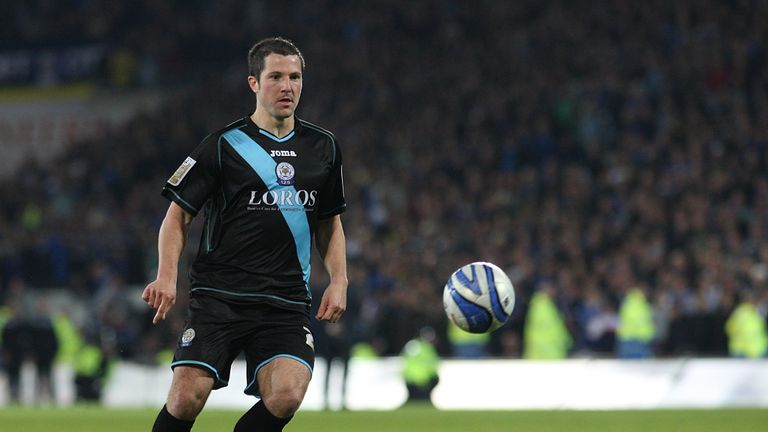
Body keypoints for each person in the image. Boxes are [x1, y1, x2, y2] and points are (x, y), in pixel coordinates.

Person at [142, 37, 348, 432]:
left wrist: (339, 279)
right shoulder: (222, 145)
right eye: (276, 77)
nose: (287, 86)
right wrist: (167, 274)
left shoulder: (324, 147)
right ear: (254, 83)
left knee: (288, 393)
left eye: (295, 77)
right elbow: (177, 216)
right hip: (220, 297)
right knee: (186, 400)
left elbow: (330, 222)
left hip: (284, 301)